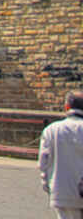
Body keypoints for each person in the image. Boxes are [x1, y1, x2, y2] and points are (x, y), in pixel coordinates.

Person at [38, 90, 83, 218]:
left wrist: (48, 186)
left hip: (61, 192)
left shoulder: (51, 130)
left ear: (67, 106)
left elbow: (43, 164)